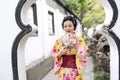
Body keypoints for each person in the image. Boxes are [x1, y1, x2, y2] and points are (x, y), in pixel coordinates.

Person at [51, 15, 88, 80]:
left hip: (75, 70)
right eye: (65, 26)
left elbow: (83, 54)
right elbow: (54, 53)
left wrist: (76, 44)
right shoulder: (59, 41)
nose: (67, 28)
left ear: (74, 26)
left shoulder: (80, 40)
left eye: (70, 26)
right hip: (63, 71)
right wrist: (60, 53)